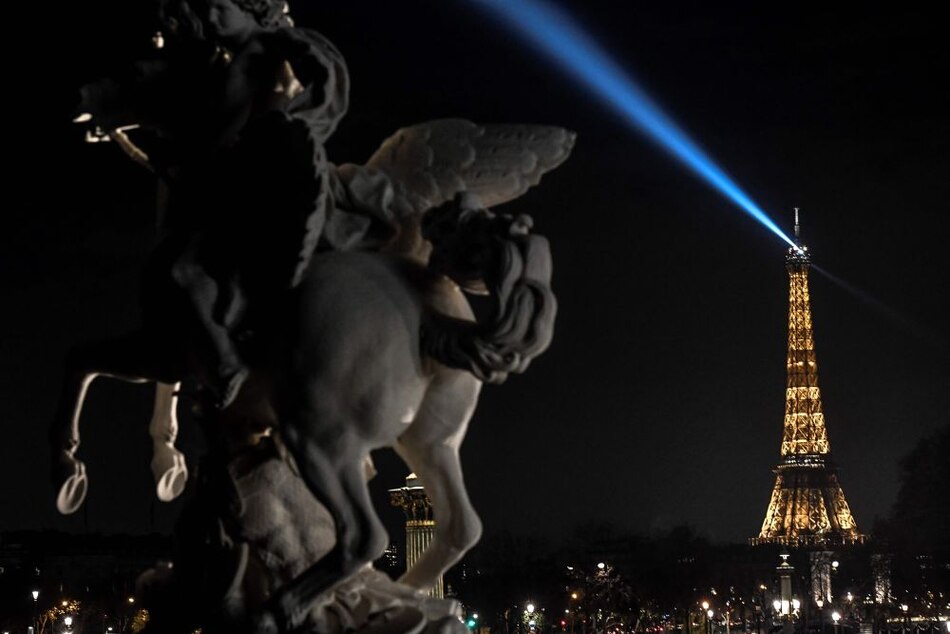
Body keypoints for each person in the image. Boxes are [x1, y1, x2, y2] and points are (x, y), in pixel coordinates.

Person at [76, 0, 351, 406]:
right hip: (237, 178)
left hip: (262, 182)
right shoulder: (231, 62)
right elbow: (195, 114)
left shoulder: (273, 52)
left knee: (185, 267)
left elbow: (272, 107)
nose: (213, 16)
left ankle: (227, 363)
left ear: (252, 12)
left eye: (223, 6)